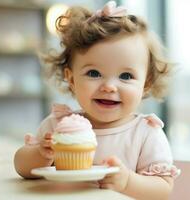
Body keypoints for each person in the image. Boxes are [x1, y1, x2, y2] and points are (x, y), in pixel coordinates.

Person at [14, 1, 180, 199]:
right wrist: (40, 154)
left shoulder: (146, 133)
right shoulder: (59, 126)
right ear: (72, 78)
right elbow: (21, 167)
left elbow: (162, 189)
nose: (109, 86)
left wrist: (127, 182)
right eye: (94, 73)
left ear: (145, 83)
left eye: (126, 76)